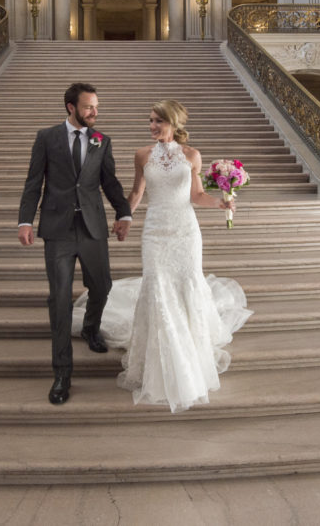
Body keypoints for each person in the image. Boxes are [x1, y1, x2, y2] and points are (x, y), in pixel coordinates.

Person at [73, 100, 252, 413]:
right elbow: (137, 193)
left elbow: (196, 195)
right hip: (155, 232)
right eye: (150, 120)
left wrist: (222, 204)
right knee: (157, 287)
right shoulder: (142, 155)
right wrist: (124, 217)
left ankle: (189, 357)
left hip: (185, 231)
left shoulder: (192, 156)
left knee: (186, 285)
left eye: (158, 121)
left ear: (174, 122)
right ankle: (160, 360)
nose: (152, 126)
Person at [18, 82, 132, 405]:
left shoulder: (101, 141)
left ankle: (91, 327)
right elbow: (33, 182)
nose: (95, 113)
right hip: (58, 230)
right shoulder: (47, 138)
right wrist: (25, 221)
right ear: (71, 107)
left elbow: (110, 183)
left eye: (96, 106)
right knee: (60, 300)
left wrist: (124, 214)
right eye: (88, 107)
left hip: (93, 228)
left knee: (103, 286)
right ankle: (62, 375)